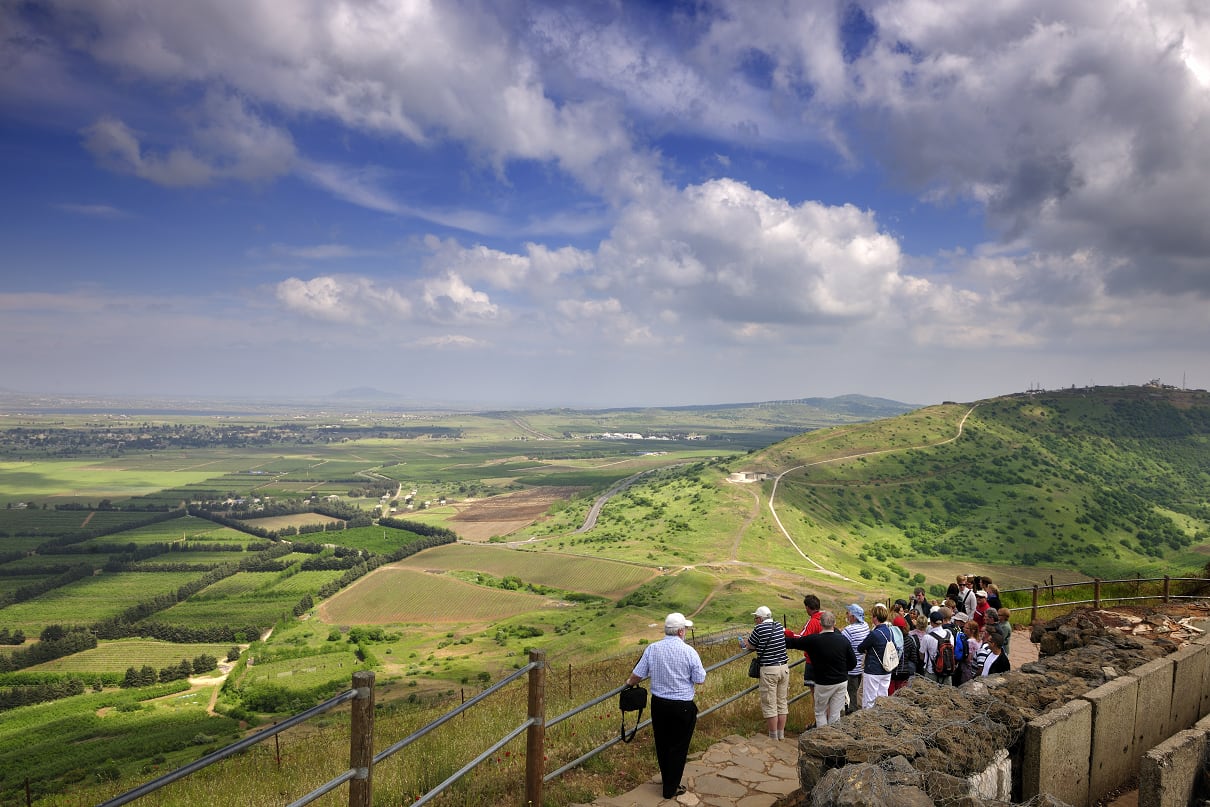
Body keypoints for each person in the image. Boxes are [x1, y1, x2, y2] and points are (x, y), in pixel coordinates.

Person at [626, 613, 707, 800]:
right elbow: (700, 679)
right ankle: (670, 787)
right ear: (680, 631)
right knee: (679, 746)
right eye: (685, 629)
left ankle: (667, 779)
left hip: (659, 704)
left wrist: (628, 683)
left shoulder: (652, 649)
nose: (685, 632)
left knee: (662, 743)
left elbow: (637, 675)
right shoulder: (689, 652)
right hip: (682, 706)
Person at [785, 611, 856, 727]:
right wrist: (842, 670)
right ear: (834, 623)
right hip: (841, 681)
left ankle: (822, 738)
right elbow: (853, 663)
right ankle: (833, 738)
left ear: (820, 623)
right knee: (835, 713)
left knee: (820, 712)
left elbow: (793, 642)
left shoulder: (813, 640)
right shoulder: (843, 640)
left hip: (822, 682)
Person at [740, 605, 790, 739]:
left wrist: (745, 643)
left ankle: (773, 737)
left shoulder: (759, 628)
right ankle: (781, 734)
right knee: (782, 702)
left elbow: (750, 645)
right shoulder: (778, 625)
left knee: (769, 703)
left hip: (769, 669)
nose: (755, 621)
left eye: (756, 618)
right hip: (784, 667)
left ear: (760, 618)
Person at [856, 604, 896, 708]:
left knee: (869, 701)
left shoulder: (874, 634)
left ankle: (869, 722)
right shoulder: (890, 631)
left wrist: (867, 650)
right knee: (883, 699)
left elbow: (860, 648)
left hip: (873, 670)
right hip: (886, 669)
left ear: (875, 618)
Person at [786, 594, 823, 687]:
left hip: (812, 661)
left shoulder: (812, 622)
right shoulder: (825, 618)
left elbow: (801, 638)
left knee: (814, 691)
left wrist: (786, 632)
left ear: (807, 607)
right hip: (825, 659)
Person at [840, 604, 869, 714]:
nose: (847, 615)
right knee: (860, 694)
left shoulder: (848, 630)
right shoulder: (865, 625)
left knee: (852, 696)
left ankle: (853, 717)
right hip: (862, 666)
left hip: (851, 669)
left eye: (848, 613)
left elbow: (841, 644)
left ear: (854, 617)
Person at [919, 608, 955, 686]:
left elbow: (921, 654)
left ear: (931, 623)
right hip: (947, 670)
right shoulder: (950, 635)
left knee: (931, 695)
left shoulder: (927, 637)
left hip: (931, 671)